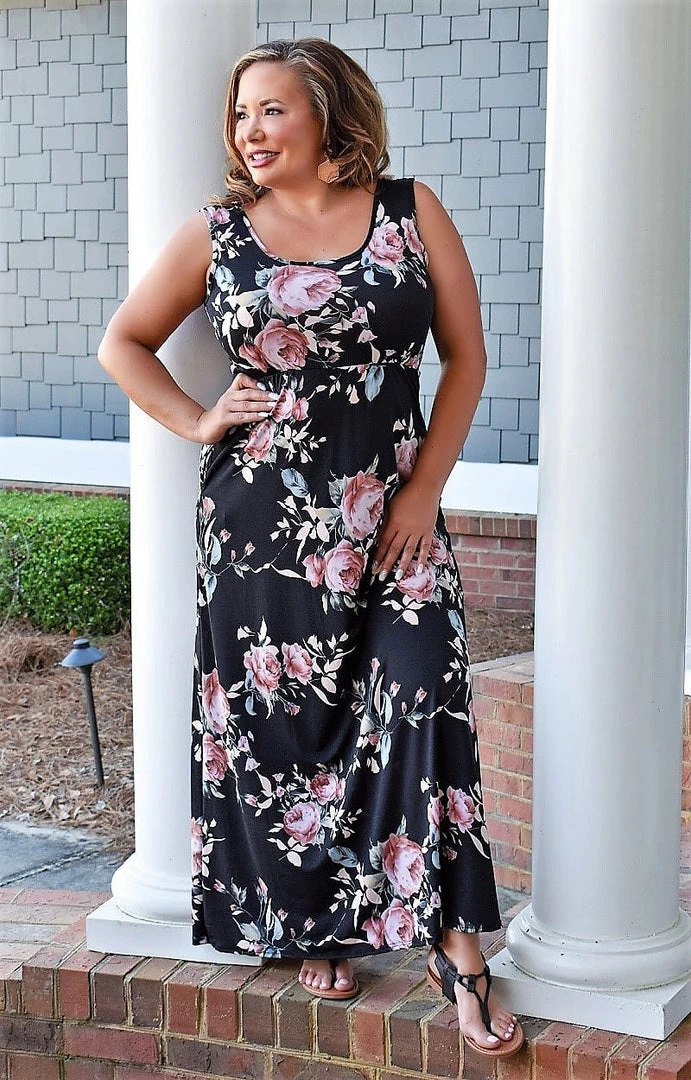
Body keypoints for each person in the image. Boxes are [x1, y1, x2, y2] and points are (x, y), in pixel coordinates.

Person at [98, 37, 524, 1057]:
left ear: (328, 113)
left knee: (422, 697)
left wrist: (424, 490)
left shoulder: (408, 210)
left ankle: (457, 947)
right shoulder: (218, 231)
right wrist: (199, 419)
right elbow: (123, 342)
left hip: (393, 516)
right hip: (260, 526)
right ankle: (309, 926)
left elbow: (465, 357)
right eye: (241, 112)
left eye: (272, 109)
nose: (249, 130)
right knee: (280, 728)